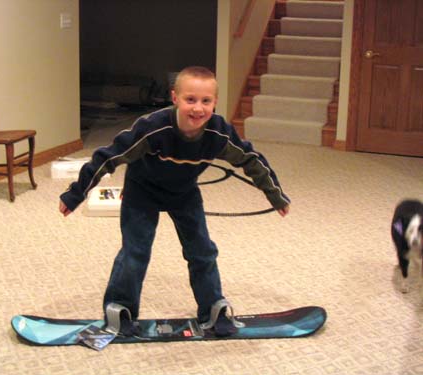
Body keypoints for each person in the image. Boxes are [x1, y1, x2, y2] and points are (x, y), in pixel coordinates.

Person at [59, 66, 290, 337]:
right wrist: (75, 194)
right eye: (190, 99)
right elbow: (108, 157)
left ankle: (213, 308)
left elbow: (251, 160)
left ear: (215, 102)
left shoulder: (219, 133)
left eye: (206, 101)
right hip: (142, 191)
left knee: (202, 250)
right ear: (175, 98)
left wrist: (275, 195)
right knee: (135, 252)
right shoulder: (153, 127)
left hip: (184, 193)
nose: (198, 108)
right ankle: (119, 310)